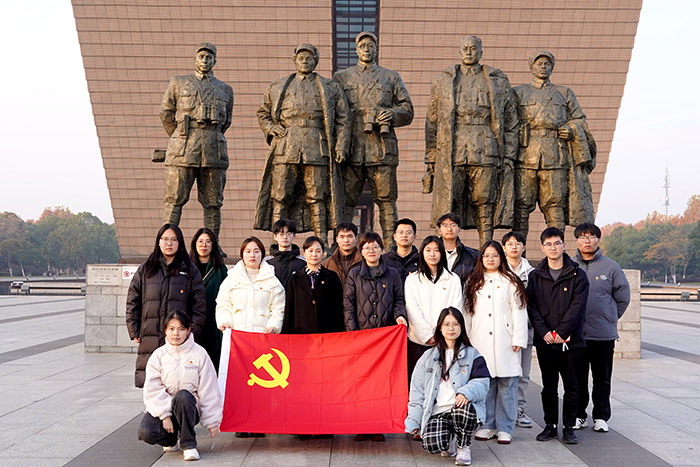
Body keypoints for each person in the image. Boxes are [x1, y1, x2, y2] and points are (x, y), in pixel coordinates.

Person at [424, 36, 519, 246]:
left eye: (473, 49)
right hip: (453, 147)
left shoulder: (497, 80)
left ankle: (487, 248)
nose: (469, 52)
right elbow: (432, 121)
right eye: (465, 48)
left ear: (481, 53)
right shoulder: (444, 80)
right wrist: (431, 154)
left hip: (486, 146)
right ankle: (447, 249)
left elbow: (512, 122)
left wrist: (509, 155)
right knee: (450, 199)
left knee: (484, 200)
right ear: (459, 52)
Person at [254, 43, 350, 247]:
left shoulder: (330, 87)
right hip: (286, 145)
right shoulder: (279, 85)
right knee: (280, 194)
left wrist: (341, 145)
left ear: (316, 61)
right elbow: (263, 112)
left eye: (309, 58)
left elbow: (343, 118)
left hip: (317, 145)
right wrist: (271, 128)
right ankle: (277, 242)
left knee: (318, 195)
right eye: (301, 58)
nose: (304, 61)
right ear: (294, 60)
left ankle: (321, 241)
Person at [333, 31, 414, 249]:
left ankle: (392, 246)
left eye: (370, 46)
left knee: (387, 200)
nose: (366, 49)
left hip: (382, 147)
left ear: (376, 49)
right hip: (352, 148)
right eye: (362, 46)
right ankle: (343, 245)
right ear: (356, 50)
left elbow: (408, 110)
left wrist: (392, 114)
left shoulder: (391, 77)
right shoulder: (342, 77)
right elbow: (332, 112)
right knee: (346, 201)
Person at [513, 51, 596, 237]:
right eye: (539, 63)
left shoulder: (564, 93)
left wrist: (573, 130)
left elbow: (581, 120)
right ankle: (518, 256)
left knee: (555, 206)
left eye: (547, 63)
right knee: (521, 207)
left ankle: (556, 254)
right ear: (531, 67)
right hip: (525, 156)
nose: (543, 66)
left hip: (555, 157)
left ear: (552, 67)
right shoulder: (518, 93)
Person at [160, 42, 234, 240]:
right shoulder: (178, 83)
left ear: (215, 61)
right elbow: (166, 113)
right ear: (195, 59)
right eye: (201, 56)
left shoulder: (225, 89)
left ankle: (213, 246)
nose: (205, 60)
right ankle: (165, 244)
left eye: (209, 57)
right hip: (183, 148)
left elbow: (226, 121)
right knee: (174, 199)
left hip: (213, 150)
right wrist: (179, 137)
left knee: (213, 202)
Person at [215, 236, 285, 439]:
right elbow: (223, 304)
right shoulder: (232, 279)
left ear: (262, 254)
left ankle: (259, 422)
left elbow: (278, 308)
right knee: (240, 383)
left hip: (263, 339)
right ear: (242, 255)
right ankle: (241, 422)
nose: (252, 255)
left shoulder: (272, 280)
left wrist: (273, 326)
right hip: (239, 339)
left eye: (256, 251)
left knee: (262, 383)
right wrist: (225, 322)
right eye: (248, 251)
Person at [405, 307, 490, 466]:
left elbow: (483, 382)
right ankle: (449, 440)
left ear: (461, 327)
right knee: (431, 444)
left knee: (462, 409)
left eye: (455, 324)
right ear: (440, 328)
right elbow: (417, 391)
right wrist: (413, 420)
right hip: (439, 411)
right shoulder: (428, 357)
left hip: (463, 409)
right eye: (446, 324)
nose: (451, 328)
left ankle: (463, 446)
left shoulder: (473, 354)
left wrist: (466, 392)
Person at [344, 232, 407, 442]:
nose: (371, 251)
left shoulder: (392, 274)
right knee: (361, 382)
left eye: (375, 247)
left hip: (385, 338)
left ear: (382, 248)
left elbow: (399, 299)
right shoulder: (354, 274)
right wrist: (353, 334)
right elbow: (348, 305)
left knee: (380, 383)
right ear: (361, 252)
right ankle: (362, 425)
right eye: (366, 248)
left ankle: (378, 424)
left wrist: (399, 317)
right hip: (362, 337)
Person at [527, 227, 589, 444]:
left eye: (557, 243)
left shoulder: (577, 275)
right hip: (546, 343)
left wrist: (561, 332)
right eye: (548, 244)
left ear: (564, 245)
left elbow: (577, 307)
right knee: (549, 386)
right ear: (543, 247)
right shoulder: (535, 276)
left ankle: (569, 426)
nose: (553, 248)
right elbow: (532, 307)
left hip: (571, 341)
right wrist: (545, 333)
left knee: (572, 386)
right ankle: (550, 425)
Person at [126, 223, 206, 388]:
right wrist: (134, 329)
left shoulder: (190, 271)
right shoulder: (146, 269)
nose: (169, 243)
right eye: (165, 239)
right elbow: (133, 300)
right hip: (151, 336)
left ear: (180, 243)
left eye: (173, 240)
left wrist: (192, 333)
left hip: (179, 339)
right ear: (159, 242)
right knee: (152, 382)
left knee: (178, 382)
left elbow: (199, 306)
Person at [464, 241, 528, 445]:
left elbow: (519, 310)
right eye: (486, 256)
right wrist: (466, 339)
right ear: (480, 259)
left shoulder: (511, 281)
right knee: (486, 385)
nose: (490, 259)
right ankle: (487, 424)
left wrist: (518, 337)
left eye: (494, 255)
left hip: (505, 340)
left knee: (507, 385)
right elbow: (467, 313)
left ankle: (505, 427)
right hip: (479, 339)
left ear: (501, 258)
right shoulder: (473, 282)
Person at [138, 310, 221, 462]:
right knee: (146, 431)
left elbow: (209, 389)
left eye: (181, 329)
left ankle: (189, 445)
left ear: (188, 331)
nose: (176, 333)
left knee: (183, 395)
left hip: (188, 407)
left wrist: (212, 421)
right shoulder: (158, 355)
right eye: (171, 329)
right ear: (165, 331)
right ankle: (170, 440)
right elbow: (152, 388)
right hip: (165, 407)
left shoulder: (199, 354)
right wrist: (164, 416)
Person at [572, 223, 630, 433]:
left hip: (603, 335)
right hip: (576, 334)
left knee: (602, 378)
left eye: (591, 236)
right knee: (577, 378)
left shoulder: (611, 267)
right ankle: (579, 415)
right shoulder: (570, 265)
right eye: (583, 237)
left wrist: (610, 317)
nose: (587, 240)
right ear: (576, 240)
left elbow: (623, 298)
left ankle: (601, 416)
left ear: (598, 239)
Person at [405, 236, 464, 382]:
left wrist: (441, 335)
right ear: (422, 253)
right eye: (428, 250)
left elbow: (455, 308)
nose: (432, 254)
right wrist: (427, 336)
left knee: (443, 382)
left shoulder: (453, 279)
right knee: (417, 381)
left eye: (437, 250)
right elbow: (413, 310)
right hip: (418, 342)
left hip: (445, 341)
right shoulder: (413, 279)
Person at [501, 231, 535, 428]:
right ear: (504, 247)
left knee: (523, 372)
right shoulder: (497, 270)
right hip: (501, 330)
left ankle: (519, 408)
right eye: (510, 244)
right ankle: (499, 410)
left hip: (525, 329)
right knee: (500, 372)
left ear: (523, 247)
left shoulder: (533, 273)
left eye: (518, 243)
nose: (514, 247)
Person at [282, 236, 344, 334]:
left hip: (327, 332)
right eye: (310, 251)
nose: (314, 254)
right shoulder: (295, 279)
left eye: (318, 251)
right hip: (301, 333)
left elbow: (338, 309)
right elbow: (289, 310)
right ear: (304, 253)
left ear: (323, 254)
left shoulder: (332, 277)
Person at [189, 227, 229, 372]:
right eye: (200, 241)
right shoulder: (186, 267)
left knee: (213, 364)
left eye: (207, 242)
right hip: (193, 322)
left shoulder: (220, 269)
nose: (203, 245)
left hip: (214, 323)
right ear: (194, 244)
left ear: (213, 245)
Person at [437, 213, 479, 285]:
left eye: (453, 225)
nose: (449, 229)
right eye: (445, 226)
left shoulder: (472, 256)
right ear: (439, 230)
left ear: (459, 229)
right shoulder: (431, 255)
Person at [266, 219, 306, 289]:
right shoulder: (267, 263)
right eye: (281, 234)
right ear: (275, 236)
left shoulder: (303, 262)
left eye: (288, 234)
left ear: (294, 236)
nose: (285, 237)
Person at [323, 222, 362, 290]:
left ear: (356, 239)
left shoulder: (364, 262)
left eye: (349, 236)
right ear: (337, 239)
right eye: (342, 237)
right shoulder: (327, 264)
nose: (346, 240)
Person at [382, 218, 420, 283]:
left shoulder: (422, 260)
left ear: (414, 237)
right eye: (401, 232)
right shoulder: (383, 260)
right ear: (395, 236)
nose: (404, 235)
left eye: (408, 233)